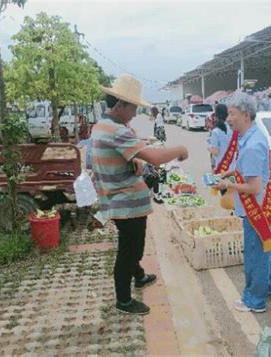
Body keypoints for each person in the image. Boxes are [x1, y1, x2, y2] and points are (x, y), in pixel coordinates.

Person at [92, 75, 188, 315]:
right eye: (133, 107)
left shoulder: (102, 126)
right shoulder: (116, 130)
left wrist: (134, 160)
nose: (135, 112)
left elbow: (121, 154)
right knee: (130, 250)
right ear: (119, 105)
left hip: (116, 198)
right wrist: (180, 149)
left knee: (131, 245)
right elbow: (154, 158)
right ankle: (123, 301)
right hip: (125, 203)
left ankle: (140, 275)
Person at [214, 92, 271, 313]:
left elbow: (254, 187)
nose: (228, 118)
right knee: (265, 249)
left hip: (259, 210)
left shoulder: (253, 145)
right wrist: (228, 172)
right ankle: (270, 286)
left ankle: (255, 300)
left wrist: (228, 186)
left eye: (232, 114)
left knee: (256, 254)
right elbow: (244, 169)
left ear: (245, 114)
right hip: (266, 205)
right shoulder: (250, 136)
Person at [207, 104, 232, 173]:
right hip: (233, 167)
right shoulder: (233, 128)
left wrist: (209, 148)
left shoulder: (216, 131)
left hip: (221, 166)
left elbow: (216, 152)